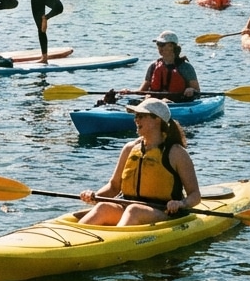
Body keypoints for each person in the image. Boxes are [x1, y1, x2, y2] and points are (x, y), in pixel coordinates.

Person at [77, 99, 201, 227]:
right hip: (128, 208)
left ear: (157, 119)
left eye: (141, 116)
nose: (136, 120)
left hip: (163, 212)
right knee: (103, 207)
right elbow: (114, 186)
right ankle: (76, 238)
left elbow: (195, 195)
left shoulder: (176, 153)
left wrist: (181, 204)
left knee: (134, 210)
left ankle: (117, 242)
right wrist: (94, 196)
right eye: (136, 116)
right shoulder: (129, 148)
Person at [129, 30, 199, 102]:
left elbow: (197, 91)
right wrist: (129, 92)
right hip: (155, 103)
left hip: (178, 103)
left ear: (171, 46)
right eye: (158, 44)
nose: (159, 47)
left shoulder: (186, 67)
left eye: (162, 44)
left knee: (165, 101)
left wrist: (192, 90)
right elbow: (142, 91)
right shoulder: (153, 66)